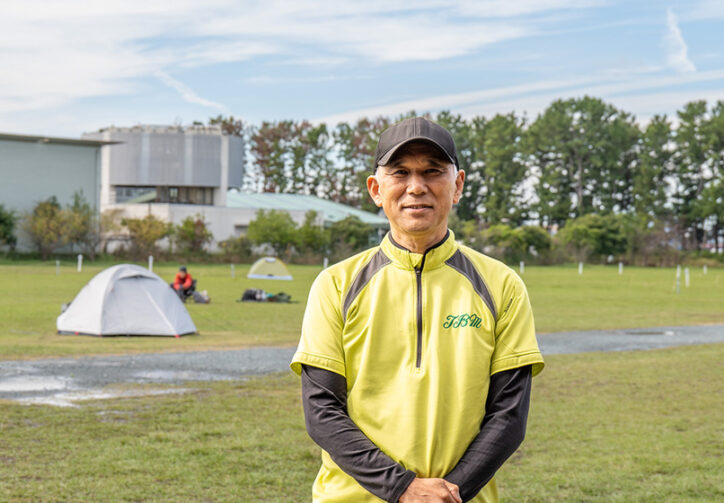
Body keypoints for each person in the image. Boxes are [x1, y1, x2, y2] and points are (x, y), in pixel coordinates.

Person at [290, 116, 544, 503]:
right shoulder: (336, 284)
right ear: (376, 189)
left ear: (457, 185)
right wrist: (402, 488)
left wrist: (448, 493)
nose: (416, 187)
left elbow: (508, 415)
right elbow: (321, 410)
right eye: (400, 173)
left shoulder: (502, 284)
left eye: (432, 171)